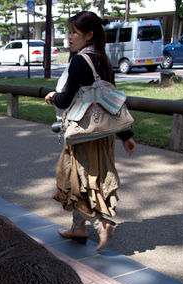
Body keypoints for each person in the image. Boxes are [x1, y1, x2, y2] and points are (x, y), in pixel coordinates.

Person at [45, 11, 136, 251]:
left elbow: (64, 100)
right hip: (102, 134)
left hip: (82, 134)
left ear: (89, 35)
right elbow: (113, 100)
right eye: (69, 31)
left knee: (76, 181)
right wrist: (126, 136)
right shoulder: (103, 59)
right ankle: (78, 228)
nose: (70, 37)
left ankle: (101, 224)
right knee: (88, 182)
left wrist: (52, 96)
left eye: (74, 32)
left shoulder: (79, 61)